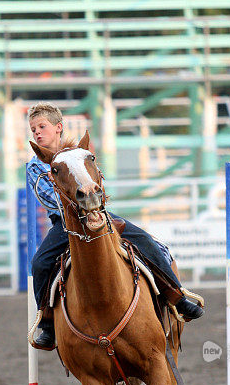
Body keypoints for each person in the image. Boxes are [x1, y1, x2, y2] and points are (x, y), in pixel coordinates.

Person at [26, 102, 204, 350]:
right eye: (33, 129)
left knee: (145, 240)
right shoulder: (35, 165)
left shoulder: (81, 156)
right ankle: (47, 322)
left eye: (41, 126)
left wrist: (91, 201)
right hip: (66, 223)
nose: (36, 132)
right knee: (40, 263)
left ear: (58, 128)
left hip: (97, 212)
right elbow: (47, 197)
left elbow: (97, 181)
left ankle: (175, 296)